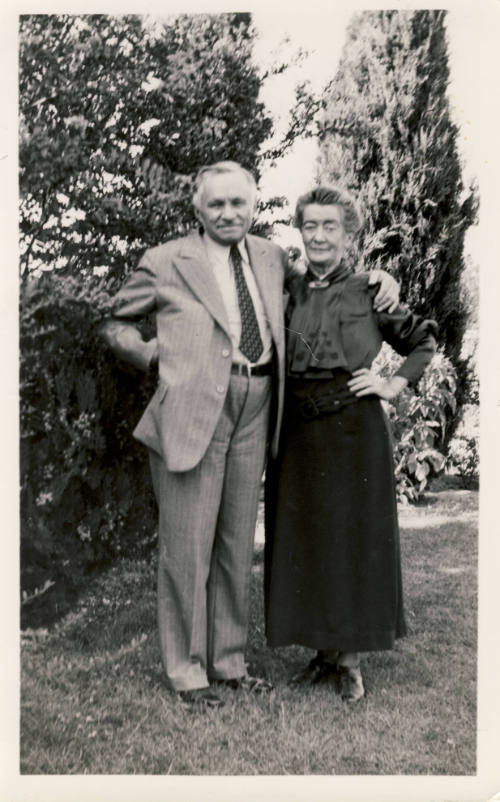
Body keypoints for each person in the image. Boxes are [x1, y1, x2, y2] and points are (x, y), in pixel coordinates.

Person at [100, 163, 399, 710]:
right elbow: (115, 322)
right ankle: (187, 672)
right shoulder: (166, 261)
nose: (229, 213)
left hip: (257, 406)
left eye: (239, 203)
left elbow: (322, 284)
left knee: (237, 543)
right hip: (193, 410)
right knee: (188, 547)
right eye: (217, 205)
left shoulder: (269, 256)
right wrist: (145, 353)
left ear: (254, 205)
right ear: (198, 207)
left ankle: (229, 663)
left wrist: (381, 280)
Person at [264, 185, 438, 703]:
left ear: (349, 233)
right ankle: (320, 655)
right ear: (300, 230)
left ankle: (351, 662)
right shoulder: (288, 288)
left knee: (352, 541)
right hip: (297, 431)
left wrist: (390, 384)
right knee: (306, 540)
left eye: (330, 227)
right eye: (310, 226)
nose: (319, 236)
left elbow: (423, 340)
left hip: (354, 431)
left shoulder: (370, 290)